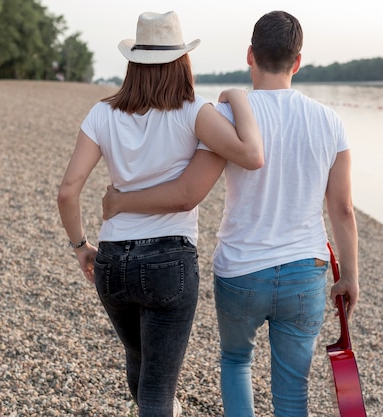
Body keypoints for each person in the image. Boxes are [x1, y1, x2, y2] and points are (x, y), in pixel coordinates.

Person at [101, 10, 359, 417]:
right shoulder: (330, 121)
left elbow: (190, 191)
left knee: (237, 362)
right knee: (293, 390)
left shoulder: (229, 117)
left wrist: (119, 201)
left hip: (241, 268)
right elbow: (342, 209)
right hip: (304, 268)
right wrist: (350, 275)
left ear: (250, 55)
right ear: (297, 61)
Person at [57, 11, 263, 417]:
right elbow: (252, 155)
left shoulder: (103, 113)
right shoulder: (195, 112)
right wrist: (237, 96)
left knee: (139, 360)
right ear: (182, 61)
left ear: (134, 63)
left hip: (112, 260)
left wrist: (81, 245)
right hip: (169, 260)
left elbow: (67, 191)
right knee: (156, 389)